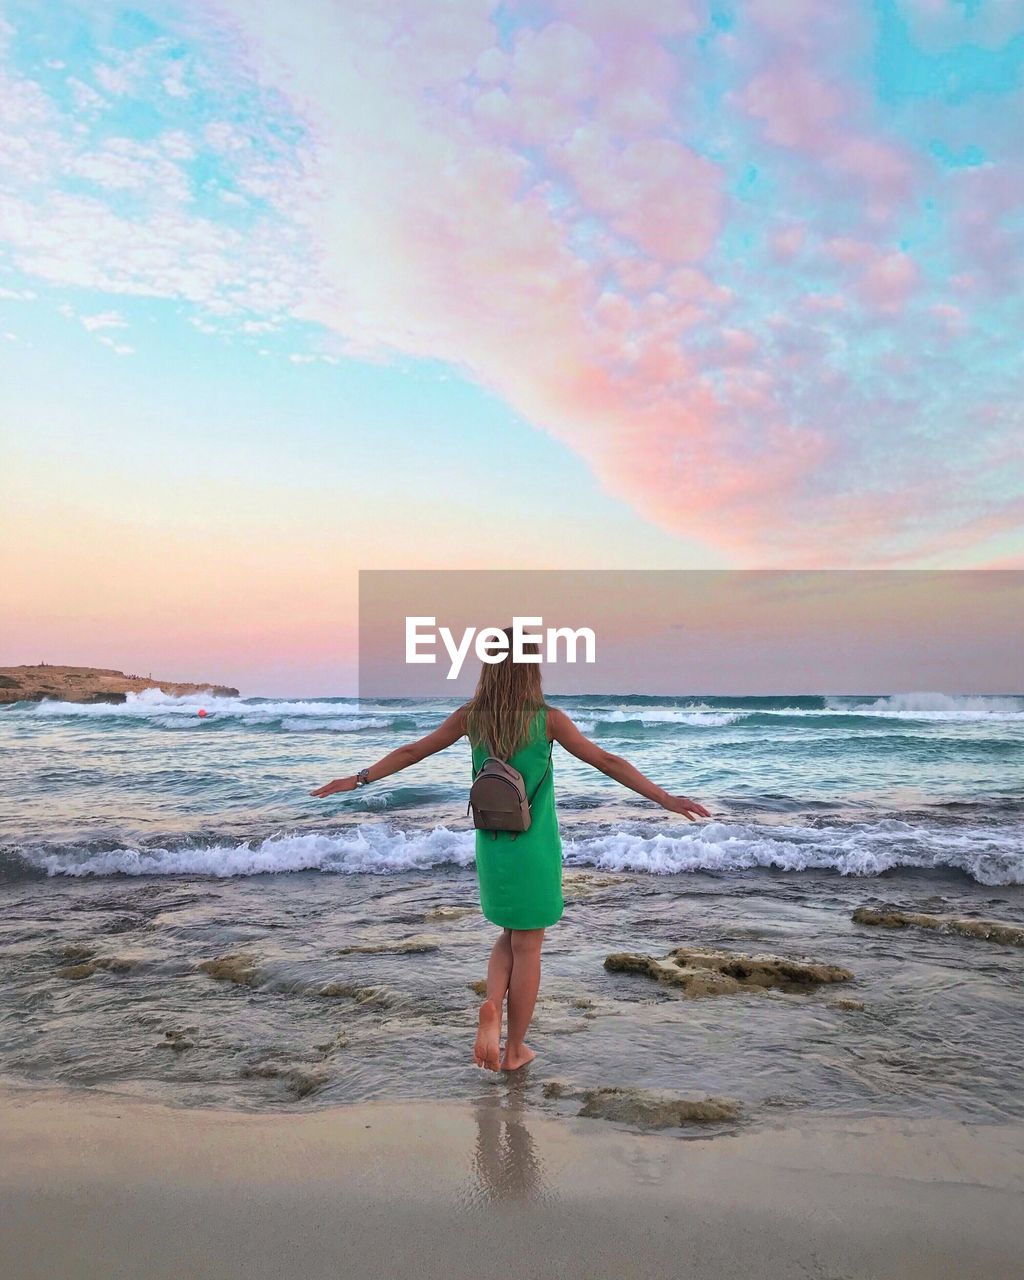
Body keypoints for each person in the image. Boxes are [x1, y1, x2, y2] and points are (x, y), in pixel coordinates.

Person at [310, 632, 710, 1072]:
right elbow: (607, 762)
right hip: (533, 848)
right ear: (529, 670)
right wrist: (666, 799)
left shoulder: (471, 719)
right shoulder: (548, 720)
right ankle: (515, 1048)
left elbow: (412, 751)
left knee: (509, 933)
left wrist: (359, 778)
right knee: (529, 946)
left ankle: (492, 1006)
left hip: (493, 845)